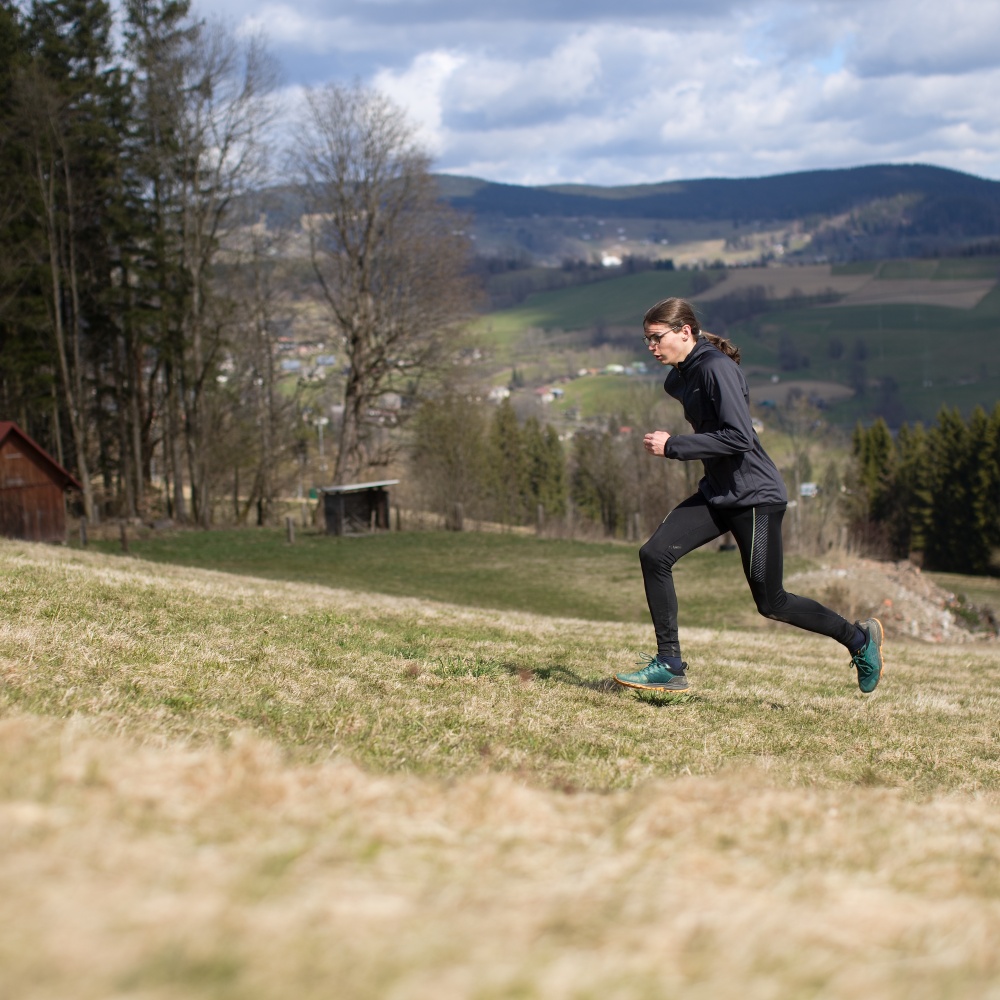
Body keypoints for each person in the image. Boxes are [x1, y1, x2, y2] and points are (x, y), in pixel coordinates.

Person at [613, 297, 884, 694]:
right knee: (655, 554)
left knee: (772, 602)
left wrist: (674, 446)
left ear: (685, 332)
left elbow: (738, 437)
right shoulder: (681, 376)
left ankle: (859, 640)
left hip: (754, 496)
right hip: (719, 492)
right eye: (646, 340)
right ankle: (669, 664)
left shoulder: (716, 369)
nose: (652, 347)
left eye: (657, 338)